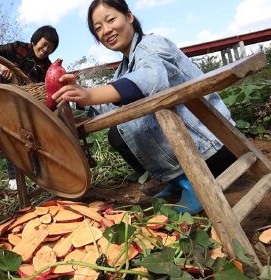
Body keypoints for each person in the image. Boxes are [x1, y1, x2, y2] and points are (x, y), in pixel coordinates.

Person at [53, 0, 236, 214]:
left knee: (140, 121)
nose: (106, 30)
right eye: (98, 28)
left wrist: (90, 93)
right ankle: (178, 180)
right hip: (195, 152)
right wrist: (77, 99)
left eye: (111, 19)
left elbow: (151, 79)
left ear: (129, 17)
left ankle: (192, 181)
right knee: (117, 134)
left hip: (214, 147)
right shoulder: (122, 70)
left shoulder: (153, 45)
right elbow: (111, 106)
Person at [0, 25, 59, 190]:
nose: (45, 50)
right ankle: (14, 177)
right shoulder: (18, 48)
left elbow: (47, 89)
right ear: (34, 41)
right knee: (10, 135)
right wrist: (1, 65)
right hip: (5, 100)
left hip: (29, 106)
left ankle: (40, 174)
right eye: (43, 45)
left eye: (50, 49)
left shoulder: (47, 66)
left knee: (33, 138)